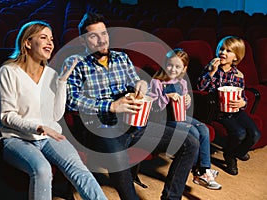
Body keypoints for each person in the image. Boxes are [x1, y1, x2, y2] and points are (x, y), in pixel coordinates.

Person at [63, 12, 199, 200]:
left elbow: (136, 81)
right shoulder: (75, 63)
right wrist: (110, 106)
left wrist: (140, 85)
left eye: (104, 34)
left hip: (134, 124)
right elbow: (71, 101)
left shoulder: (122, 58)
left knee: (189, 142)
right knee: (119, 158)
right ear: (84, 40)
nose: (101, 40)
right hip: (102, 129)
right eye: (93, 36)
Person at [0, 20, 107, 200]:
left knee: (79, 168)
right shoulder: (8, 71)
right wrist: (38, 127)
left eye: (52, 39)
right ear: (28, 43)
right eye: (43, 37)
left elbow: (55, 115)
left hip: (48, 136)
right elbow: (6, 116)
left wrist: (62, 82)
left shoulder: (52, 74)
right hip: (15, 138)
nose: (50, 43)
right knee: (42, 169)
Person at [150, 48, 221, 190]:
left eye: (178, 66)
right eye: (170, 65)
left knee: (203, 128)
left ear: (184, 68)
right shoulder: (157, 82)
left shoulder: (181, 82)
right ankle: (198, 172)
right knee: (193, 132)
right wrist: (166, 97)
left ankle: (204, 169)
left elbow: (183, 105)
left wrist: (187, 100)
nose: (173, 69)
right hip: (163, 120)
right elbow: (154, 109)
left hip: (180, 116)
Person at [197, 36, 261, 175]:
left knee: (255, 134)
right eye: (221, 49)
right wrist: (211, 72)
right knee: (239, 133)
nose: (223, 52)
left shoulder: (238, 75)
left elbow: (242, 96)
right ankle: (230, 156)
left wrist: (243, 102)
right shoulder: (211, 68)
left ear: (236, 57)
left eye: (228, 51)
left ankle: (238, 152)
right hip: (219, 111)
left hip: (235, 110)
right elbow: (200, 87)